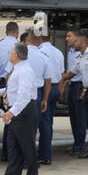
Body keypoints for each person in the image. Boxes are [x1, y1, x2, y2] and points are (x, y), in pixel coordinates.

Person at [0, 43, 39, 175]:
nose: (9, 54)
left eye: (10, 52)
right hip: (17, 109)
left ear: (16, 55)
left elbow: (24, 96)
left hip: (23, 110)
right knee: (13, 143)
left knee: (26, 143)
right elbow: (14, 89)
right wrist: (1, 91)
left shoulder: (25, 71)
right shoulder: (18, 68)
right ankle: (12, 174)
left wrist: (11, 113)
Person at [63, 30, 88, 156]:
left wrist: (85, 89)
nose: (67, 39)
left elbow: (86, 73)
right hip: (72, 85)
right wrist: (63, 85)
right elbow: (70, 72)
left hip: (81, 86)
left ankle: (81, 146)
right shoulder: (71, 52)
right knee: (74, 118)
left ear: (79, 39)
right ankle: (76, 144)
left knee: (81, 118)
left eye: (69, 36)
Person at [36, 29, 65, 165]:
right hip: (54, 88)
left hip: (44, 89)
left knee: (42, 123)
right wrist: (58, 90)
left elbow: (43, 75)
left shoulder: (40, 52)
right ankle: (46, 153)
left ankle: (44, 155)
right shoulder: (58, 52)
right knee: (48, 122)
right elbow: (61, 74)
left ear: (39, 39)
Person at [0, 21, 20, 88]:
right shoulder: (20, 45)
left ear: (6, 32)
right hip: (17, 81)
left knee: (3, 98)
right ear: (17, 32)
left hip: (3, 81)